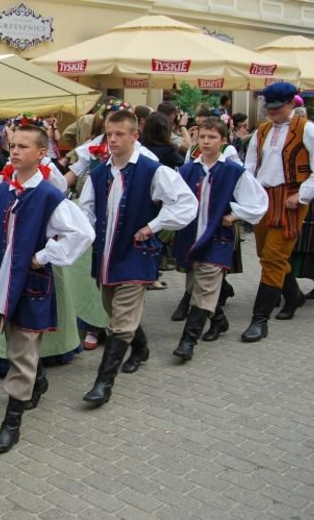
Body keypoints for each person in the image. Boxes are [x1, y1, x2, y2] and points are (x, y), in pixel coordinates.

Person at [0, 124, 94, 453]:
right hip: (1, 282)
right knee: (14, 345)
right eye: (12, 145)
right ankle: (36, 379)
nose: (14, 151)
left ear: (41, 154)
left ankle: (12, 422)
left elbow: (81, 233)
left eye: (23, 146)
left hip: (31, 285)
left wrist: (43, 256)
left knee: (21, 353)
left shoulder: (49, 196)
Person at [79, 110, 197, 405]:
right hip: (106, 255)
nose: (114, 139)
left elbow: (186, 203)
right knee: (114, 311)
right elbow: (85, 213)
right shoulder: (98, 173)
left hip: (136, 254)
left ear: (135, 136)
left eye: (120, 134)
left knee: (120, 321)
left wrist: (153, 226)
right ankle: (141, 348)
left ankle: (103, 384)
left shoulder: (152, 170)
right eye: (109, 134)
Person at [172, 118, 267, 361]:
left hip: (218, 239)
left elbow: (257, 201)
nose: (205, 141)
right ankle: (219, 320)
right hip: (191, 238)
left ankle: (187, 341)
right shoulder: (187, 170)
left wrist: (235, 214)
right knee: (195, 287)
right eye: (202, 137)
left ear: (223, 141)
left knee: (204, 289)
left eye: (212, 137)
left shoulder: (233, 171)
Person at [241, 82, 314, 341]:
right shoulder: (261, 131)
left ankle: (259, 320)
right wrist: (246, 194)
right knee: (263, 253)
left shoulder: (307, 129)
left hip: (291, 199)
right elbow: (249, 166)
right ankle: (292, 295)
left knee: (272, 257)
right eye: (269, 108)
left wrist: (302, 194)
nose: (272, 112)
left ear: (291, 104)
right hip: (263, 198)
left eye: (277, 107)